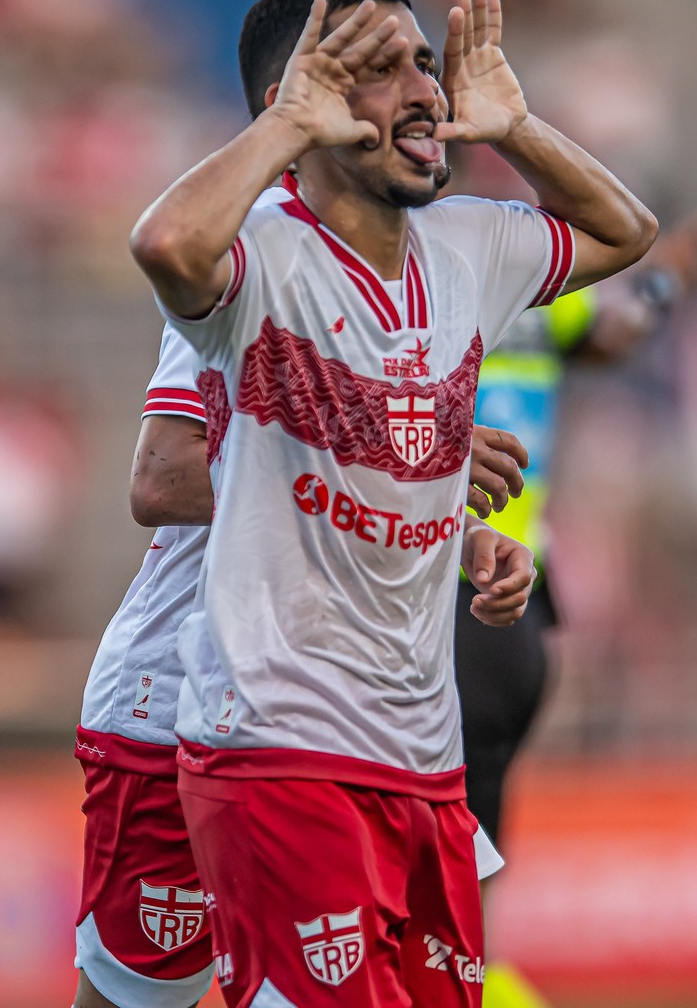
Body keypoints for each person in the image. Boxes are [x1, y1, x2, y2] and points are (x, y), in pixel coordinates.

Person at [128, 0, 656, 1007]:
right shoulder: (259, 263)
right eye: (385, 70)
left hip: (422, 751)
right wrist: (286, 129)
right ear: (309, 99)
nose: (427, 89)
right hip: (278, 741)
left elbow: (625, 232)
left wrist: (514, 125)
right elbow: (166, 247)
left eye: (428, 64)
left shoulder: (470, 250)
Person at [73, 312, 537, 1008]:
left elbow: (363, 499)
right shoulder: (248, 264)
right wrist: (406, 464)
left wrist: (458, 532)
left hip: (375, 719)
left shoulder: (435, 279)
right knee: (137, 999)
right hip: (195, 706)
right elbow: (163, 479)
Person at [457, 210, 697, 1008]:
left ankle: (463, 981)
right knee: (472, 840)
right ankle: (476, 978)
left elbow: (608, 335)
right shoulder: (528, 283)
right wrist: (660, 285)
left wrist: (664, 281)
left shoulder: (426, 287)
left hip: (458, 592)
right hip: (512, 597)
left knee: (443, 843)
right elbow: (615, 335)